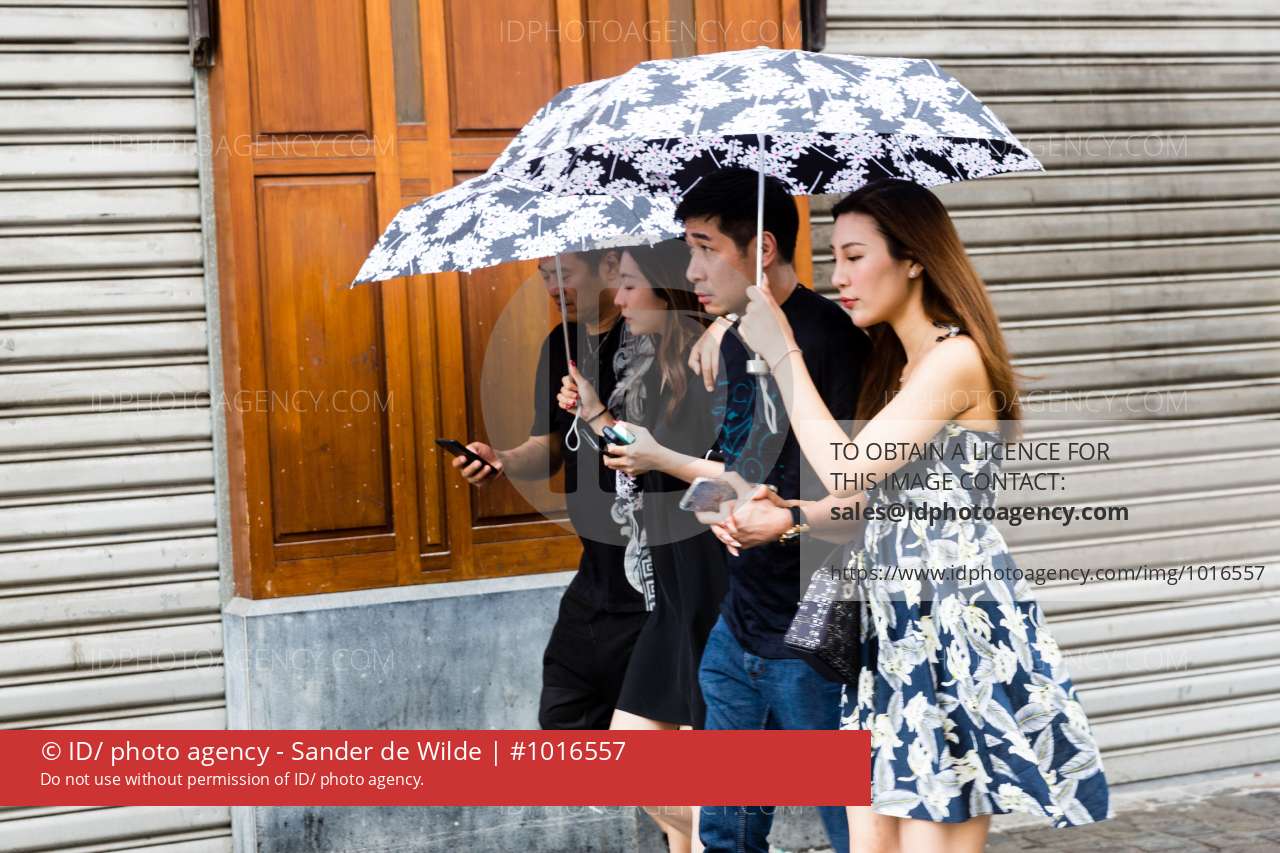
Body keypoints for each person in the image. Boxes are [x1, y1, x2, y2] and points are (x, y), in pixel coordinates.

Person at [719, 177, 1111, 853]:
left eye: (854, 256)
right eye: (834, 259)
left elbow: (846, 468)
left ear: (914, 260)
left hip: (947, 627)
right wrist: (790, 518)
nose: (838, 277)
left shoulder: (955, 359)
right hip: (889, 629)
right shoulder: (896, 366)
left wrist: (782, 350)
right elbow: (871, 502)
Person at [663, 167, 870, 853]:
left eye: (704, 248)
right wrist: (715, 507)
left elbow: (864, 500)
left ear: (764, 248)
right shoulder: (728, 340)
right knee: (724, 831)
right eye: (688, 248)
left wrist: (783, 520)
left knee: (854, 829)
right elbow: (736, 464)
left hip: (817, 634)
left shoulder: (837, 340)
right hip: (740, 625)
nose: (691, 270)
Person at [557, 239, 730, 853]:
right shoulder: (653, 369)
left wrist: (664, 462)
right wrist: (596, 414)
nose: (620, 297)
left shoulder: (718, 365)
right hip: (671, 592)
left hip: (713, 583)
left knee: (701, 779)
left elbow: (743, 478)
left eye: (631, 284)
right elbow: (644, 458)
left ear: (667, 290)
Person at [452, 248, 649, 731]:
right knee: (563, 715)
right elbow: (549, 448)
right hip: (592, 577)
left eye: (565, 273)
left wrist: (598, 412)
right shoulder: (560, 345)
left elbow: (657, 452)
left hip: (647, 577)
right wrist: (501, 460)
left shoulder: (648, 340)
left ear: (609, 268)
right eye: (544, 276)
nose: (554, 288)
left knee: (652, 738)